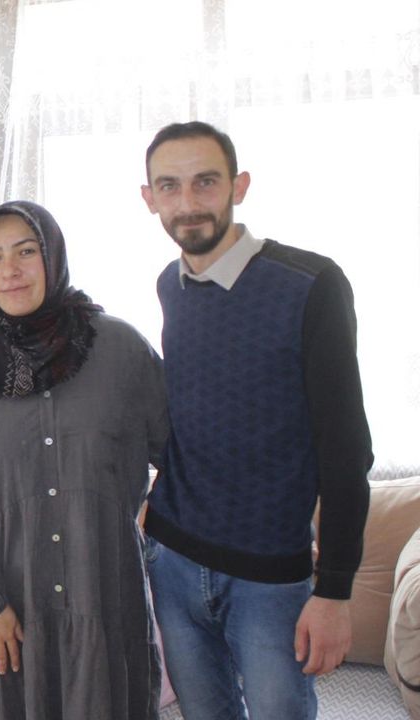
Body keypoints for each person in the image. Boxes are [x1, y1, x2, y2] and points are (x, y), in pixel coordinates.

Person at [139, 121, 373, 719]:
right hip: (172, 560)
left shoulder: (311, 284)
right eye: (169, 186)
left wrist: (335, 591)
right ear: (149, 198)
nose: (187, 203)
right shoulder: (170, 285)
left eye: (205, 182)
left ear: (238, 186)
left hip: (270, 579)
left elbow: (347, 450)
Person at [0, 200, 167, 719]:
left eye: (26, 251)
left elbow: (182, 458)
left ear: (52, 256)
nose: (9, 270)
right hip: (5, 614)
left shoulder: (121, 350)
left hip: (102, 592)